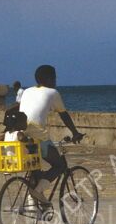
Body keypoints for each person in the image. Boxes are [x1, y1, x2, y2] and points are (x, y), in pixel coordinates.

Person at [19, 65, 84, 205]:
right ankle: (37, 192)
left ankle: (32, 205)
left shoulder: (26, 91)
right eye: (55, 78)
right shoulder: (52, 92)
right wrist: (75, 133)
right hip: (38, 136)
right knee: (59, 165)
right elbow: (64, 115)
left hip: (20, 134)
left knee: (36, 169)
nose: (56, 81)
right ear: (49, 79)